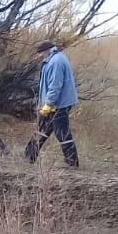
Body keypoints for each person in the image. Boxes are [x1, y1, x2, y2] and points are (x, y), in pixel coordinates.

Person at [24, 40, 79, 168]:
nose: (38, 56)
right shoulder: (53, 59)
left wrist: (48, 104)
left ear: (46, 51)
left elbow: (55, 86)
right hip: (54, 103)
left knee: (61, 132)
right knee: (42, 128)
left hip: (59, 104)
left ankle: (72, 162)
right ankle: (28, 155)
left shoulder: (56, 62)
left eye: (39, 53)